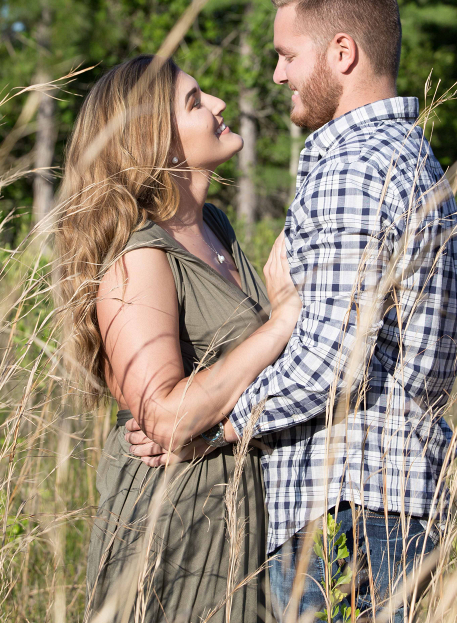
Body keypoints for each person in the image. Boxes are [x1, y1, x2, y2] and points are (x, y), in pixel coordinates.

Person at [130, 0, 457, 622]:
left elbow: (329, 363)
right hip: (381, 502)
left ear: (343, 52)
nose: (277, 73)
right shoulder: (408, 155)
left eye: (287, 55)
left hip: (344, 505)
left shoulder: (354, 167)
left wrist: (214, 428)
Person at [56, 54, 301, 623]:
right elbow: (164, 418)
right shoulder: (138, 255)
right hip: (174, 520)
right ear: (157, 144)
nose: (217, 105)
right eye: (195, 102)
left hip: (236, 507)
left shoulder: (216, 226)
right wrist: (279, 325)